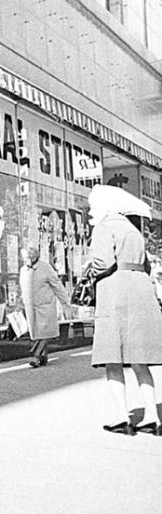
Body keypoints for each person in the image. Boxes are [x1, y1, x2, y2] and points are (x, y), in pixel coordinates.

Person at [84, 185, 162, 437]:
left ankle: (122, 418)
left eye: (92, 205)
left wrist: (89, 267)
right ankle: (153, 417)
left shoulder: (104, 227)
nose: (90, 210)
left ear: (103, 206)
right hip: (140, 293)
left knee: (112, 358)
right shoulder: (134, 230)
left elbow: (103, 263)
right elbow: (147, 266)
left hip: (115, 294)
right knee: (139, 360)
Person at [18, 246, 70, 368]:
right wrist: (19, 304)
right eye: (25, 258)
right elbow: (23, 289)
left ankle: (35, 357)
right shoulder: (23, 270)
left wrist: (65, 301)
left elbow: (57, 285)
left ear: (36, 257)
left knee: (43, 333)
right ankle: (44, 357)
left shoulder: (45, 267)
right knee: (38, 333)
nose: (26, 260)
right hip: (31, 307)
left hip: (45, 306)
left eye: (29, 257)